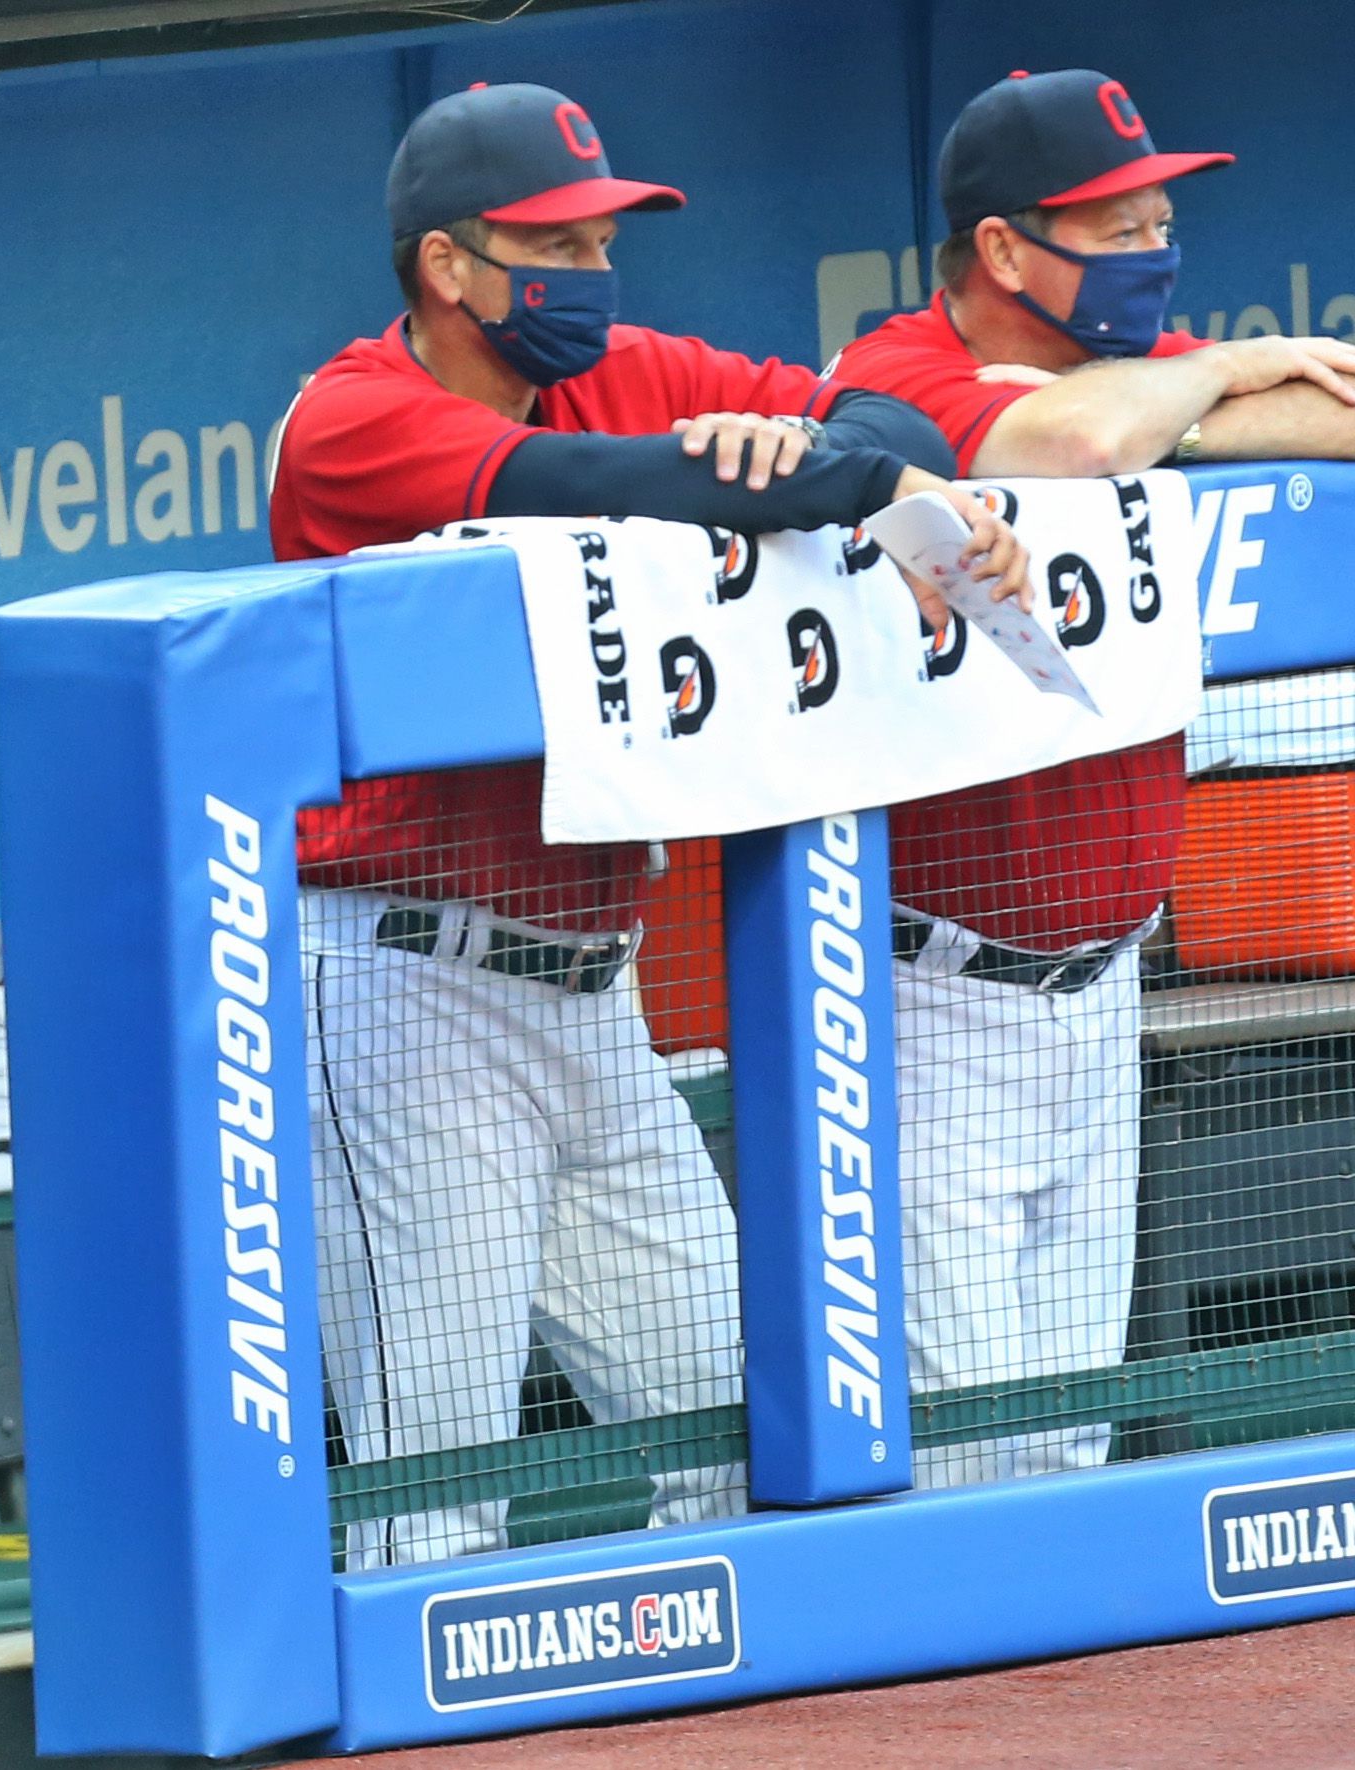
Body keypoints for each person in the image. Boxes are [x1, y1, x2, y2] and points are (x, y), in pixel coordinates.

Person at [274, 81, 1029, 1566]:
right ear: (447, 264)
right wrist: (855, 483)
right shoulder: (352, 415)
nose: (591, 278)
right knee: (435, 1494)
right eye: (551, 246)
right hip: (402, 986)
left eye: (602, 241)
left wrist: (842, 448)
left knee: (744, 1427)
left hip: (591, 999)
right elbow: (595, 484)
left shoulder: (632, 363)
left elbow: (878, 403)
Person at [828, 69, 1355, 1487]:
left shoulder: (1147, 377)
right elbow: (1072, 446)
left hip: (1104, 992)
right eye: (1117, 221)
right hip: (935, 996)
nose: (1157, 247)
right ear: (1002, 250)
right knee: (971, 1462)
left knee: (1069, 1447)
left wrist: (1186, 405)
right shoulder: (888, 380)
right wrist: (1219, 378)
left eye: (1161, 213)